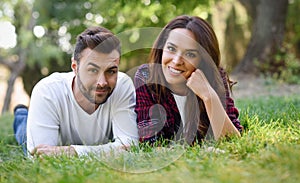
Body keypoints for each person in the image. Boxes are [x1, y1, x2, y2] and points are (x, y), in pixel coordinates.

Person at [13, 26, 138, 157]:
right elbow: (40, 156)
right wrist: (111, 150)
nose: (102, 82)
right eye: (93, 70)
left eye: (111, 71)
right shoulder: (47, 91)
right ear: (75, 67)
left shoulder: (122, 85)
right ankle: (21, 115)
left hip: (65, 146)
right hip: (48, 122)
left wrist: (70, 152)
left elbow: (129, 146)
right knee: (24, 136)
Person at [134, 15, 242, 145]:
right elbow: (150, 140)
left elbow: (232, 140)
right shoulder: (146, 76)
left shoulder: (215, 77)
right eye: (171, 49)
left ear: (203, 60)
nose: (177, 61)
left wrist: (208, 96)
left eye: (190, 54)